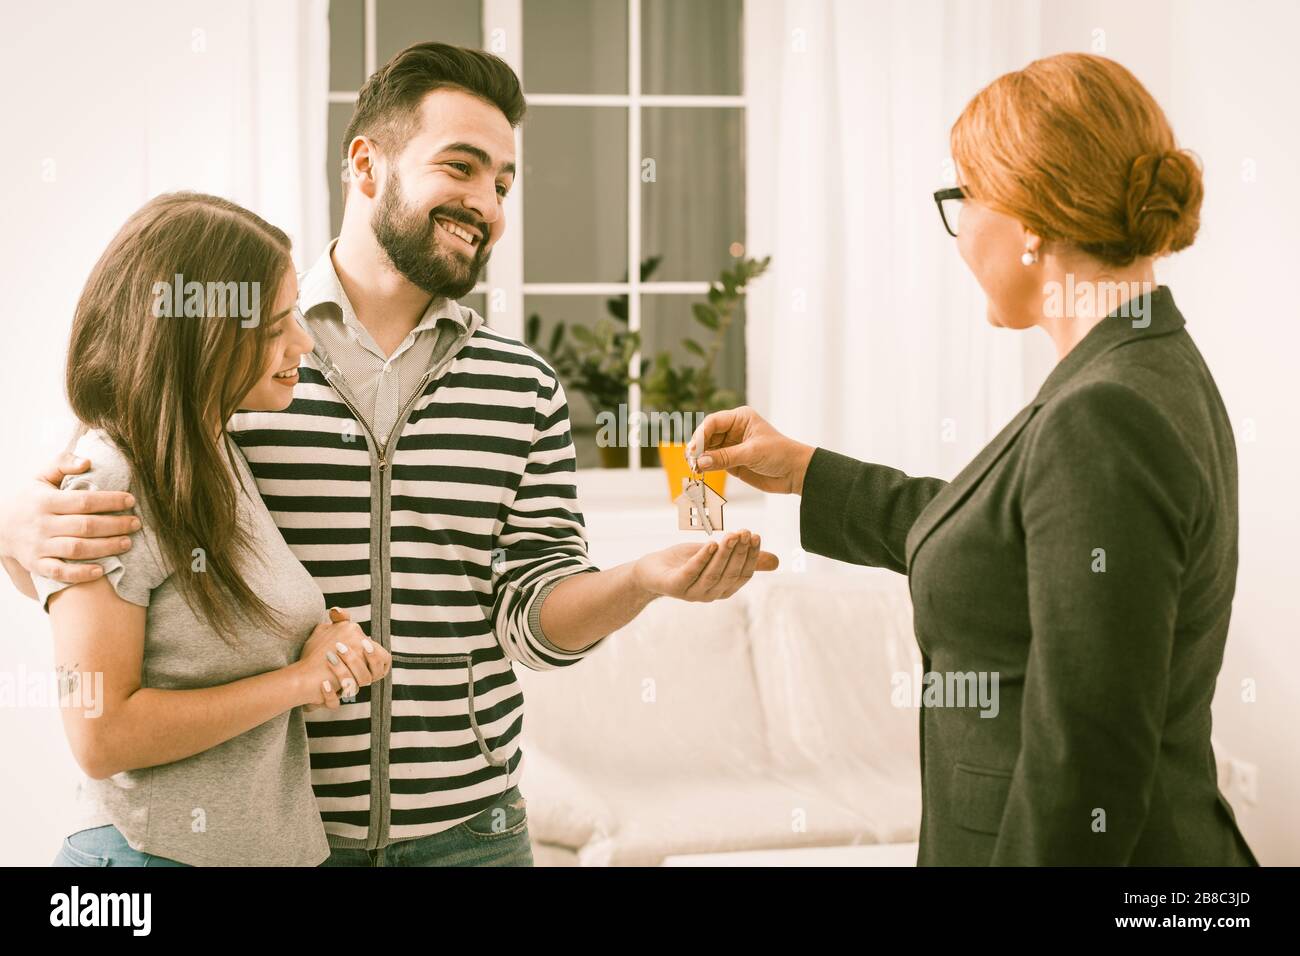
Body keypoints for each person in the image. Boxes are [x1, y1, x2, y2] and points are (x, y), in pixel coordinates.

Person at [2, 43, 777, 867]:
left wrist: (640, 582)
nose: (487, 204)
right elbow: (103, 508)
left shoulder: (523, 388)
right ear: (365, 164)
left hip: (472, 835)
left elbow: (529, 619)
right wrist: (11, 527)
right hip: (284, 837)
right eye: (462, 166)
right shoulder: (236, 355)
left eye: (503, 184)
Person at [686, 53, 1257, 866]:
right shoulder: (1146, 363)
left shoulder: (1103, 412)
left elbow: (1085, 766)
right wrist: (807, 470)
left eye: (965, 199)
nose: (959, 238)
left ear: (1028, 218)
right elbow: (1012, 541)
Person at [38, 191, 392, 867]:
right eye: (275, 325)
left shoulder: (216, 452)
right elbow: (100, 734)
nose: (304, 342)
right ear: (202, 330)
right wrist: (298, 680)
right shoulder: (111, 479)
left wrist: (323, 645)